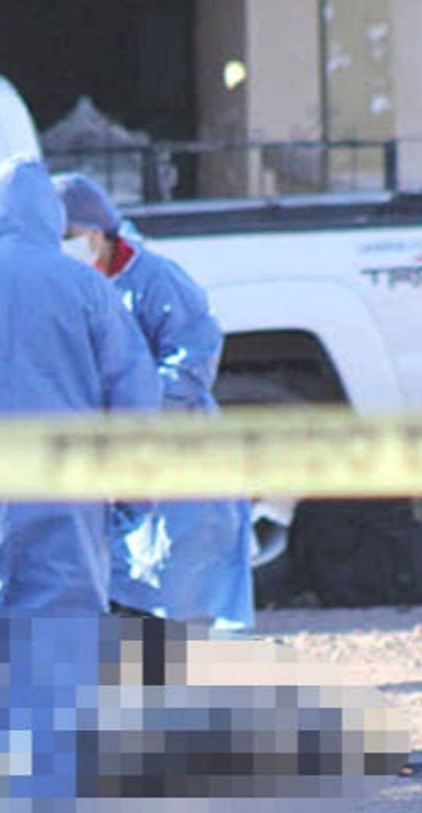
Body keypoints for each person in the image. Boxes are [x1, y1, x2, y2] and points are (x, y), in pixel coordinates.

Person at [0, 155, 160, 806]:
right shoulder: (87, 289)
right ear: (51, 215)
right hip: (62, 493)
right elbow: (133, 397)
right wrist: (132, 492)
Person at [53, 172, 255, 630]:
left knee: (186, 575)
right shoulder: (69, 288)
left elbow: (192, 359)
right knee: (116, 576)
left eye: (70, 235)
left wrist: (134, 409)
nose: (64, 247)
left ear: (99, 229)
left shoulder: (155, 280)